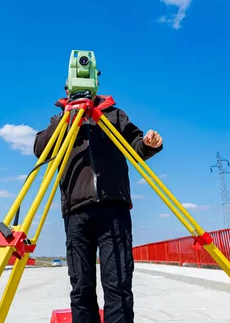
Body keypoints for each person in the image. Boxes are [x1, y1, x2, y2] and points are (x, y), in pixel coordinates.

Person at [33, 92, 163, 323]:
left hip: (114, 208)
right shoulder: (60, 118)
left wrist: (147, 145)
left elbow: (136, 146)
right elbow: (41, 149)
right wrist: (68, 115)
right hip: (76, 211)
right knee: (81, 287)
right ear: (67, 89)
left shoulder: (113, 114)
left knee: (119, 284)